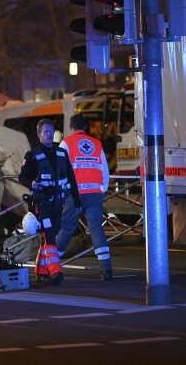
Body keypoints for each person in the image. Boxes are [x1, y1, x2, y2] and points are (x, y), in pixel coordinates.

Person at [18, 118, 81, 285]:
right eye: (45, 132)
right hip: (42, 204)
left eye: (51, 132)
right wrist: (31, 184)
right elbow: (22, 176)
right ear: (39, 134)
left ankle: (41, 271)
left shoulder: (61, 153)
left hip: (58, 204)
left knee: (48, 237)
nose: (49, 135)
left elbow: (71, 178)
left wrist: (77, 199)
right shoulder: (32, 155)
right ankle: (56, 272)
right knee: (50, 236)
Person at [56, 114, 113, 280]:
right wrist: (102, 189)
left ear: (70, 127)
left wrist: (62, 190)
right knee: (96, 228)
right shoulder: (96, 143)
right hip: (95, 193)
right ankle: (106, 268)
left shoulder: (66, 143)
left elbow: (61, 169)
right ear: (85, 127)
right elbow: (104, 170)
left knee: (66, 229)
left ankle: (51, 264)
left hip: (75, 194)